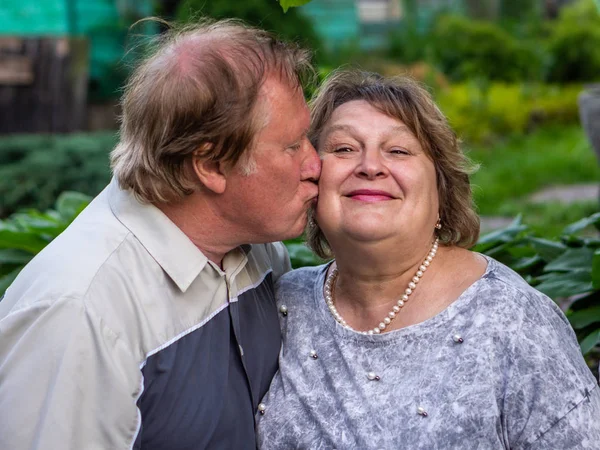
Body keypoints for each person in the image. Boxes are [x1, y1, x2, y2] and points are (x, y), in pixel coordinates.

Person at [0, 19, 320, 449]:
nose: (316, 165)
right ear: (210, 166)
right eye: (293, 146)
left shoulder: (257, 249)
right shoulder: (80, 313)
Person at [256, 70, 600, 449]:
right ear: (312, 179)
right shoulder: (282, 303)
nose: (370, 166)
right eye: (343, 149)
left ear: (442, 189)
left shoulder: (514, 321)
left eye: (399, 151)